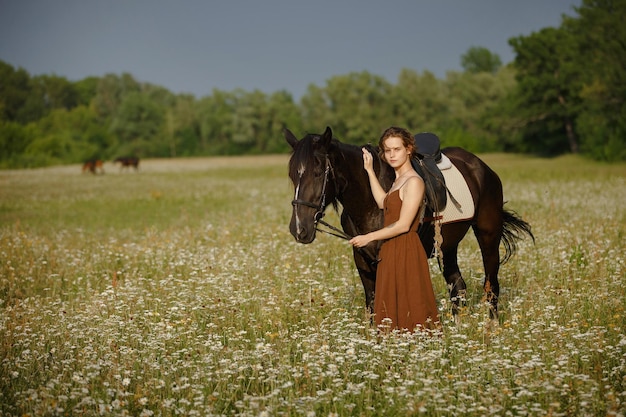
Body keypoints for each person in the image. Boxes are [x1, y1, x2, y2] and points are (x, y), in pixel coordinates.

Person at [349, 126, 440, 333]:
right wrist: (370, 171)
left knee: (411, 302)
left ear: (408, 149)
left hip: (406, 247)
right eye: (387, 150)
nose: (391, 155)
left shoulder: (414, 182)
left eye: (397, 149)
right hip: (390, 248)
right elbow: (384, 203)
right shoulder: (398, 180)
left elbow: (403, 224)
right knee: (390, 301)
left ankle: (418, 348)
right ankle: (394, 348)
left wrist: (368, 237)